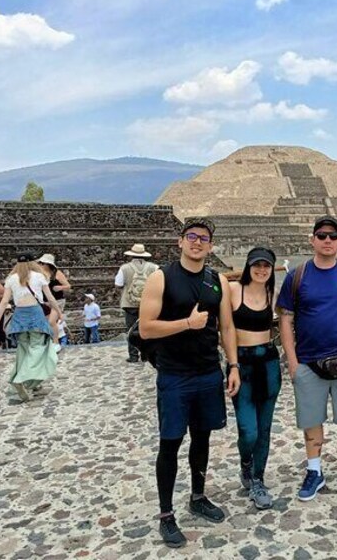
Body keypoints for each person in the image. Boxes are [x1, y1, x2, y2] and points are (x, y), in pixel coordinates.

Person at [138, 218, 240, 548]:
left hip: (208, 372)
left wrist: (233, 365)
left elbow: (226, 328)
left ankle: (198, 496)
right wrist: (186, 323)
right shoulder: (161, 278)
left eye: (204, 239)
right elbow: (146, 329)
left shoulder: (217, 281)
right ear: (181, 241)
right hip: (174, 374)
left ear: (210, 246)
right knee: (170, 442)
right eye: (191, 236)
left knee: (202, 437)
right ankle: (166, 515)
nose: (197, 242)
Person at [277, 216, 337, 504]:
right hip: (308, 362)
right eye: (322, 235)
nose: (328, 240)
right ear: (312, 240)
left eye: (333, 235)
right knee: (311, 421)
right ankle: (314, 470)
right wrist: (293, 362)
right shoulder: (297, 276)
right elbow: (286, 319)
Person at [229, 247, 280, 509]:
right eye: (256, 265)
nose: (261, 270)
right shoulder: (232, 291)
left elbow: (287, 323)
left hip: (268, 361)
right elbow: (222, 328)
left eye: (266, 266)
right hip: (242, 364)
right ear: (248, 266)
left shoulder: (273, 294)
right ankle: (245, 461)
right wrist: (231, 362)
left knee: (265, 428)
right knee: (248, 430)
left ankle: (258, 479)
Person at [0, 253, 62, 402]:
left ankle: (32, 383)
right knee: (40, 348)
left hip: (19, 316)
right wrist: (59, 312)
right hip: (35, 314)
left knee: (23, 350)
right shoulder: (39, 276)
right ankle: (22, 378)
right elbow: (50, 298)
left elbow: (4, 302)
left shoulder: (11, 279)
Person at [116, 243, 159, 363]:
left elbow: (118, 284)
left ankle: (133, 355)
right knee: (148, 328)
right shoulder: (153, 267)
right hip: (148, 303)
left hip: (129, 303)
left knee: (131, 329)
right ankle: (146, 354)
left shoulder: (124, 268)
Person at [37, 254, 71, 333]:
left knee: (51, 321)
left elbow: (68, 286)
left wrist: (60, 287)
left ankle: (56, 340)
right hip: (45, 302)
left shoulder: (57, 273)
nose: (40, 265)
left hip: (57, 301)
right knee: (45, 323)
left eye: (42, 263)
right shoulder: (40, 274)